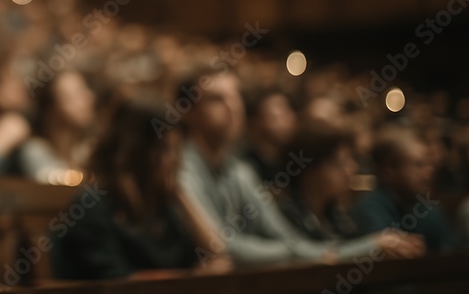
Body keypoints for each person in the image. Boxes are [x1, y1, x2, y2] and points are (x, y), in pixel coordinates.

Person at [175, 66, 421, 267]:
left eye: (235, 96)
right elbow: (221, 248)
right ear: (188, 111)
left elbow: (285, 238)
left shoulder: (238, 170)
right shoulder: (180, 169)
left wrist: (358, 249)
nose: (232, 107)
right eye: (216, 99)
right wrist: (360, 249)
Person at [53, 94, 233, 279]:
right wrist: (191, 278)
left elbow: (216, 253)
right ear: (135, 152)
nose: (174, 160)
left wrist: (179, 193)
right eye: (164, 149)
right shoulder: (92, 207)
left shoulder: (164, 205)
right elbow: (118, 282)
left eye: (176, 149)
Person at [278, 121, 424, 257]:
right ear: (310, 170)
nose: (352, 169)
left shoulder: (336, 216)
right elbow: (311, 255)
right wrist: (372, 244)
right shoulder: (284, 215)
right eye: (339, 163)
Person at [351, 124, 459, 252]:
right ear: (388, 171)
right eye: (418, 165)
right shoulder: (369, 209)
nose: (428, 172)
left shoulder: (425, 207)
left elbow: (449, 252)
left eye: (429, 164)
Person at [18, 70, 97, 183]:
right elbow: (50, 182)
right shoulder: (34, 150)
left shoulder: (88, 148)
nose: (89, 98)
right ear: (51, 109)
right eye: (73, 96)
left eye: (85, 91)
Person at [242, 87, 296, 186]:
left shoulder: (294, 159)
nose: (288, 121)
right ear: (256, 123)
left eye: (288, 112)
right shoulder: (246, 167)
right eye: (277, 117)